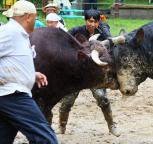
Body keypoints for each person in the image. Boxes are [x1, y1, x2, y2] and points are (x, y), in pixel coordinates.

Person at [0, 1, 58, 143]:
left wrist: (31, 75)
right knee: (46, 139)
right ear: (28, 17)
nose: (36, 20)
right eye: (35, 17)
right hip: (13, 96)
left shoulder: (19, 33)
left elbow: (12, 60)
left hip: (9, 95)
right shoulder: (10, 32)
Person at [59, 9, 120, 137]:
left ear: (98, 22)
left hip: (94, 72)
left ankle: (111, 125)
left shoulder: (103, 34)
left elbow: (110, 46)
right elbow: (64, 42)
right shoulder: (76, 31)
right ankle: (62, 126)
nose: (91, 24)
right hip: (76, 71)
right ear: (85, 20)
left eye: (94, 21)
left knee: (102, 98)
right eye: (89, 21)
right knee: (67, 101)